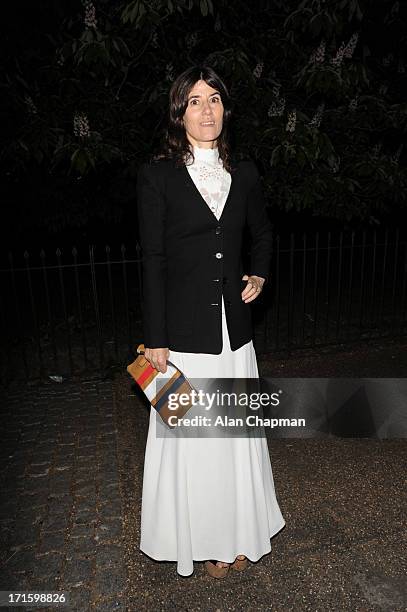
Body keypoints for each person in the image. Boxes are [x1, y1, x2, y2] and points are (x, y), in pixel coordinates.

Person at [136, 64, 285, 578]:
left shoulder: (244, 173)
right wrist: (156, 339)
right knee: (196, 443)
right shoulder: (156, 176)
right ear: (179, 113)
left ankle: (238, 534)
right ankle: (199, 540)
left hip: (234, 332)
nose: (207, 110)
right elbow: (152, 259)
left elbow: (263, 233)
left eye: (215, 99)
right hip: (183, 335)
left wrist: (259, 276)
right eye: (195, 101)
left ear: (226, 108)